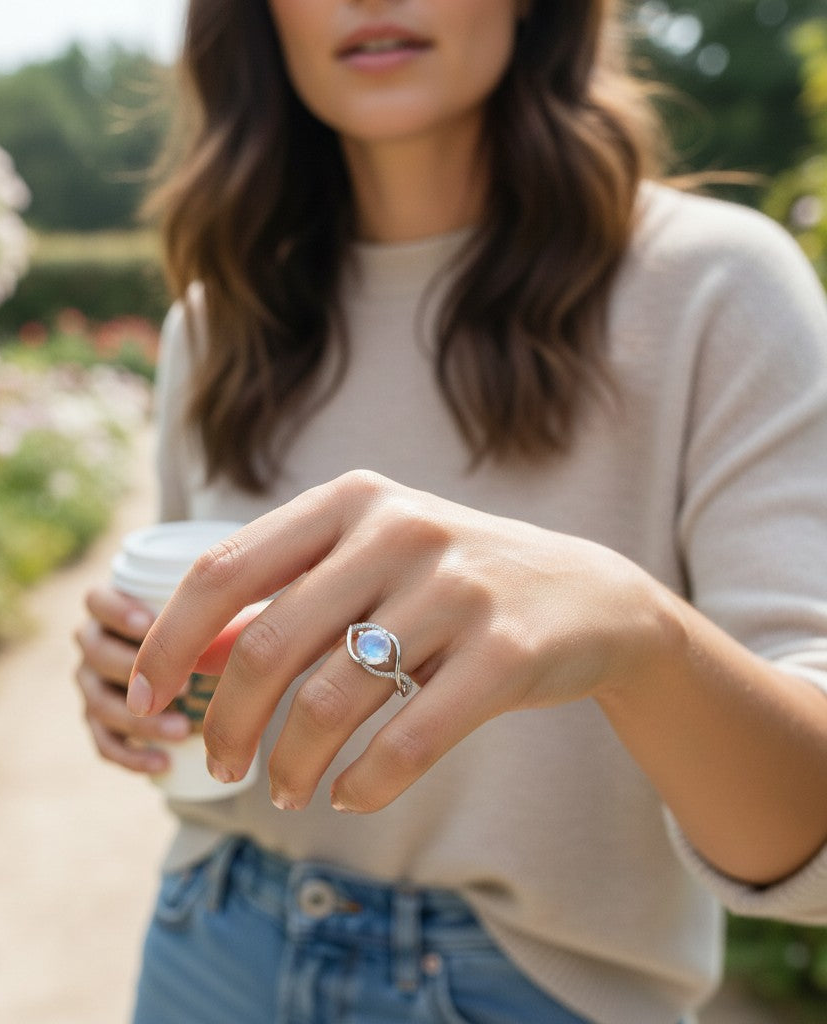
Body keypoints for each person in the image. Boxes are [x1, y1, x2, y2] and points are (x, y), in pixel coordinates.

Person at [73, 1, 827, 1021]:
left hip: (532, 986)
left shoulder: (714, 290)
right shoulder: (217, 321)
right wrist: (139, 675)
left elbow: (806, 834)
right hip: (210, 941)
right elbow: (204, 655)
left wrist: (630, 627)